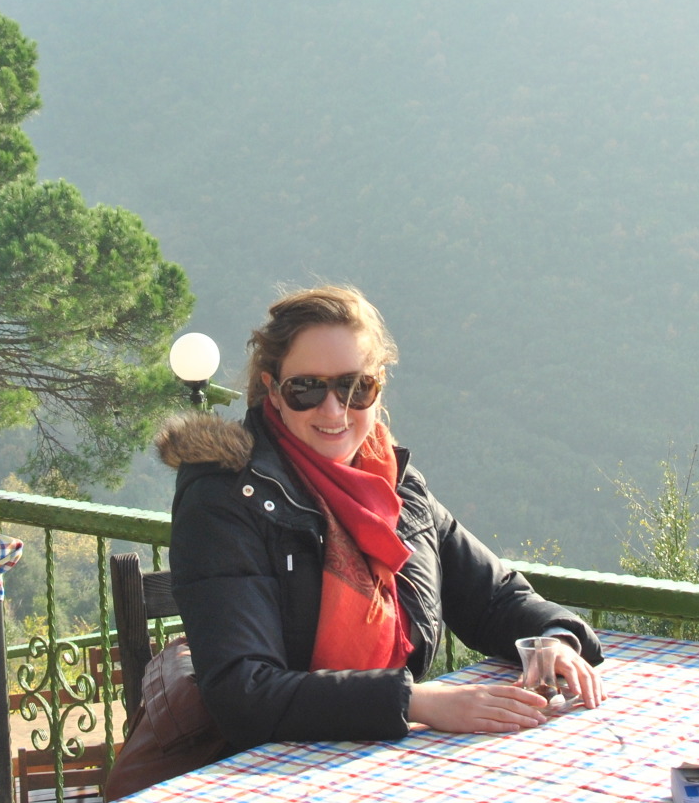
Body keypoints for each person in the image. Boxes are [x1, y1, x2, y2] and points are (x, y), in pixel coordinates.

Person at [156, 285, 605, 752]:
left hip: (386, 755)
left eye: (355, 388)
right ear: (273, 389)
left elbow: (493, 598)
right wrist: (416, 702)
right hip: (268, 766)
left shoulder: (393, 485)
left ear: (378, 385)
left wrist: (553, 641)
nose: (334, 410)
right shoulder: (227, 497)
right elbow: (242, 691)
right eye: (306, 389)